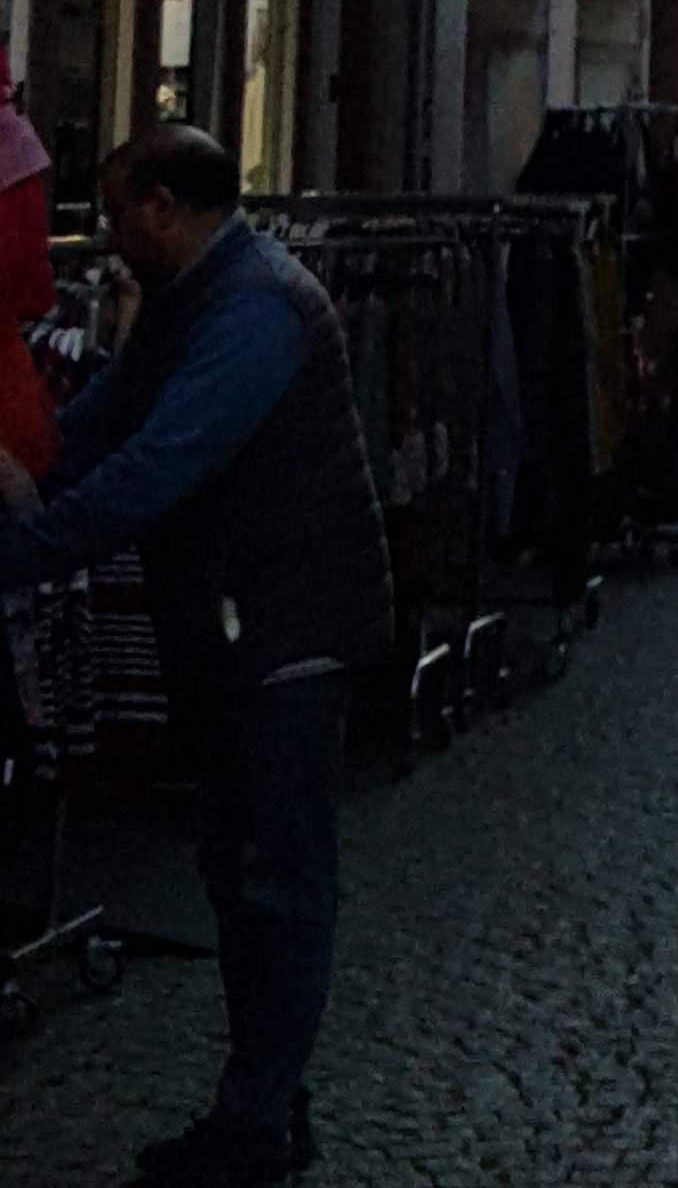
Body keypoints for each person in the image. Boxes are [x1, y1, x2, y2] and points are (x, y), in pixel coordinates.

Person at [0, 123, 393, 1188]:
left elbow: (161, 462)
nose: (106, 236)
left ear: (164, 210)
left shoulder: (254, 309)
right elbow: (105, 425)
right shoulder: (197, 298)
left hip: (283, 631)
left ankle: (258, 1121)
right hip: (240, 630)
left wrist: (26, 546)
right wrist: (35, 474)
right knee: (243, 872)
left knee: (275, 880)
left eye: (116, 212)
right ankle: (267, 1104)